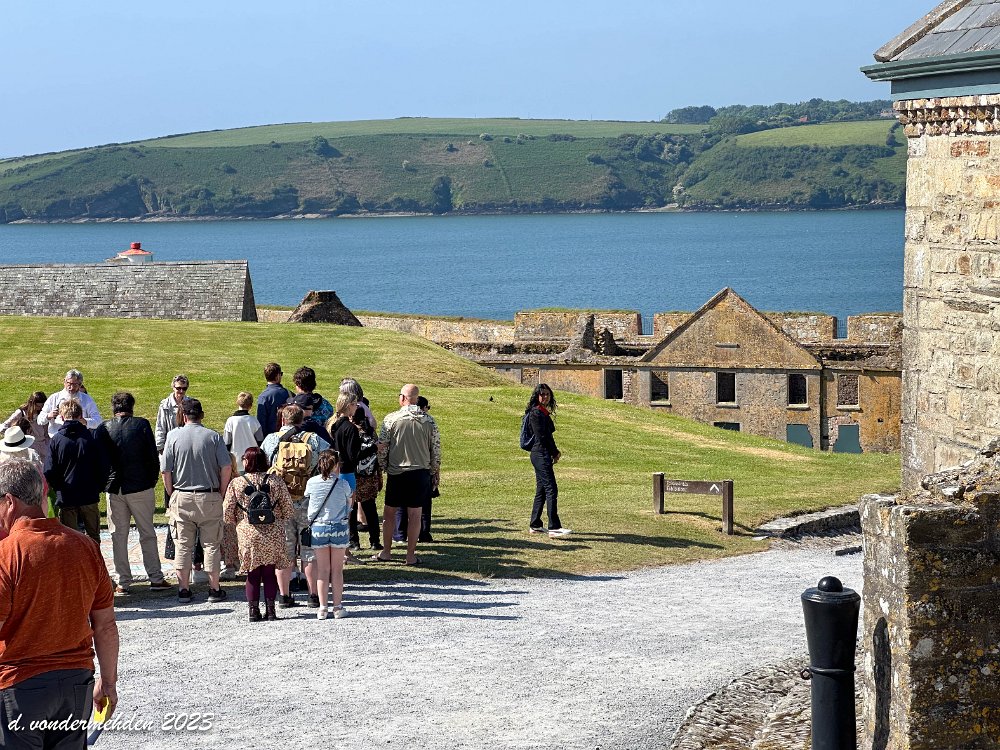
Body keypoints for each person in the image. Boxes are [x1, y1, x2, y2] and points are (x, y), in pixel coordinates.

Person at [0, 460, 119, 749]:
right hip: (76, 682)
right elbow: (105, 626)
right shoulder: (86, 546)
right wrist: (108, 682)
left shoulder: (6, 554)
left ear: (9, 501)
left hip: (20, 684)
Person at [95, 391, 173, 594]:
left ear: (114, 408)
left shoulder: (104, 428)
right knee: (147, 533)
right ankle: (155, 577)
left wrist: (106, 483)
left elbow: (99, 461)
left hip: (116, 489)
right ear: (131, 406)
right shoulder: (141, 425)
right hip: (140, 486)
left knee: (118, 536)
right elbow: (152, 456)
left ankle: (123, 581)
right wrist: (151, 480)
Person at [161, 397, 232, 604]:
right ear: (201, 415)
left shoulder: (173, 436)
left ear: (184, 416)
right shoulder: (213, 436)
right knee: (211, 545)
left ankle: (183, 589)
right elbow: (226, 466)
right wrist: (222, 491)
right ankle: (214, 589)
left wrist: (172, 492)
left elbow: (165, 470)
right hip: (209, 495)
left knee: (183, 545)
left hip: (182, 495)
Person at [261, 404, 328, 608]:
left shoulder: (271, 440)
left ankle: (284, 595)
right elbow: (332, 460)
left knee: (285, 551)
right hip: (308, 503)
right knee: (309, 551)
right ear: (302, 420)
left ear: (283, 419)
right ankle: (313, 595)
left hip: (280, 504)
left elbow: (263, 466)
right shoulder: (314, 440)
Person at [223, 447, 293, 623]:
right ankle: (271, 611)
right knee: (269, 573)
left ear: (248, 461)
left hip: (248, 533)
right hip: (273, 532)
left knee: (252, 574)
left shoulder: (237, 483)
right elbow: (288, 510)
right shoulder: (276, 481)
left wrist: (240, 521)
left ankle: (253, 611)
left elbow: (227, 512)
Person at [373, 384, 440, 565]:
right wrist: (434, 471)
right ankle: (410, 555)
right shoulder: (429, 421)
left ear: (402, 398)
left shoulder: (391, 419)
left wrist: (383, 466)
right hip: (420, 472)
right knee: (415, 515)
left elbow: (383, 447)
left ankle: (387, 551)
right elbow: (435, 450)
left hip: (397, 472)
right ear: (417, 399)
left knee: (389, 513)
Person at [44, 400, 109, 544]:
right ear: (80, 416)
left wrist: (59, 488)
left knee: (70, 541)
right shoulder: (91, 438)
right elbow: (103, 466)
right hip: (89, 494)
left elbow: (49, 470)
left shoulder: (56, 440)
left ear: (62, 417)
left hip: (67, 496)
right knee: (94, 538)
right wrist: (98, 487)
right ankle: (94, 559)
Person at [303, 450, 352, 620]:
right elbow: (349, 503)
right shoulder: (342, 483)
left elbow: (307, 498)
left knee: (323, 570)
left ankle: (322, 608)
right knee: (337, 570)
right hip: (339, 527)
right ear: (336, 465)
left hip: (319, 528)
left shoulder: (312, 482)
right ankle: (337, 607)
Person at [154, 374, 198, 563]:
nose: (181, 392)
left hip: (186, 454)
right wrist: (163, 454)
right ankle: (173, 544)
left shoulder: (190, 403)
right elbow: (160, 430)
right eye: (178, 388)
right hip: (171, 454)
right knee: (171, 502)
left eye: (184, 389)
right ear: (173, 387)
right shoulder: (165, 405)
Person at [525, 384, 571, 538]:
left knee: (542, 490)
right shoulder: (536, 413)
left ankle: (535, 524)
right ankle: (554, 527)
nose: (545, 397)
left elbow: (548, 437)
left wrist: (554, 451)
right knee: (551, 489)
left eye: (547, 394)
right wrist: (554, 452)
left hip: (542, 453)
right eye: (542, 394)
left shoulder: (542, 412)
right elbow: (542, 437)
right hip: (540, 454)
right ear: (537, 396)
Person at [350, 406, 382, 551]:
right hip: (369, 477)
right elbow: (378, 454)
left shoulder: (351, 431)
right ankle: (375, 541)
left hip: (353, 476)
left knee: (351, 509)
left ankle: (354, 542)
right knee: (371, 510)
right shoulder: (371, 432)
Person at [37, 370, 102, 439]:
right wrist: (48, 416)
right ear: (64, 381)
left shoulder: (87, 400)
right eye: (69, 383)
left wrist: (85, 421)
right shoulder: (54, 398)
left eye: (74, 384)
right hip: (58, 439)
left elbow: (98, 421)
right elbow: (39, 420)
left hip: (80, 439)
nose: (71, 387)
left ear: (80, 385)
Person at [1, 391, 49, 463]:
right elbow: (4, 426)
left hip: (44, 444)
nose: (40, 408)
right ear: (32, 403)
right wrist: (12, 437)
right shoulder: (22, 412)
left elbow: (47, 429)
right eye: (38, 406)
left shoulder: (44, 412)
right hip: (30, 444)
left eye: (43, 406)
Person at [223, 392, 264, 470]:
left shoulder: (230, 421)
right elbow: (260, 441)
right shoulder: (254, 420)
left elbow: (227, 443)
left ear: (237, 402)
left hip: (236, 460)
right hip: (252, 459)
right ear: (250, 406)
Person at [257, 363, 292, 437]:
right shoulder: (289, 394)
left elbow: (261, 422)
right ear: (277, 376)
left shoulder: (263, 397)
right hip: (289, 436)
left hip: (270, 437)